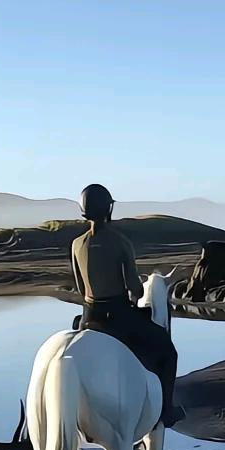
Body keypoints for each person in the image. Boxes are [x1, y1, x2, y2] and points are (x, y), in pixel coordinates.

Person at [70, 183, 182, 427]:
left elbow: (80, 288)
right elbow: (136, 288)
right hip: (118, 317)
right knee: (168, 352)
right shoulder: (120, 241)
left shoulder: (76, 244)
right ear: (108, 209)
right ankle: (166, 410)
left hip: (89, 317)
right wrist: (137, 292)